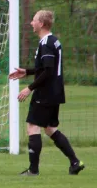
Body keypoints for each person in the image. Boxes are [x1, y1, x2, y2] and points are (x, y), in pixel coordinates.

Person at [8, 10, 84, 176]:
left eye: (34, 20)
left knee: (32, 126)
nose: (31, 23)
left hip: (46, 92)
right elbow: (45, 68)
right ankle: (75, 162)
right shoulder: (53, 41)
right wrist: (27, 71)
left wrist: (29, 88)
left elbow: (48, 71)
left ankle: (33, 170)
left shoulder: (46, 43)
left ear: (41, 24)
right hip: (55, 92)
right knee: (50, 129)